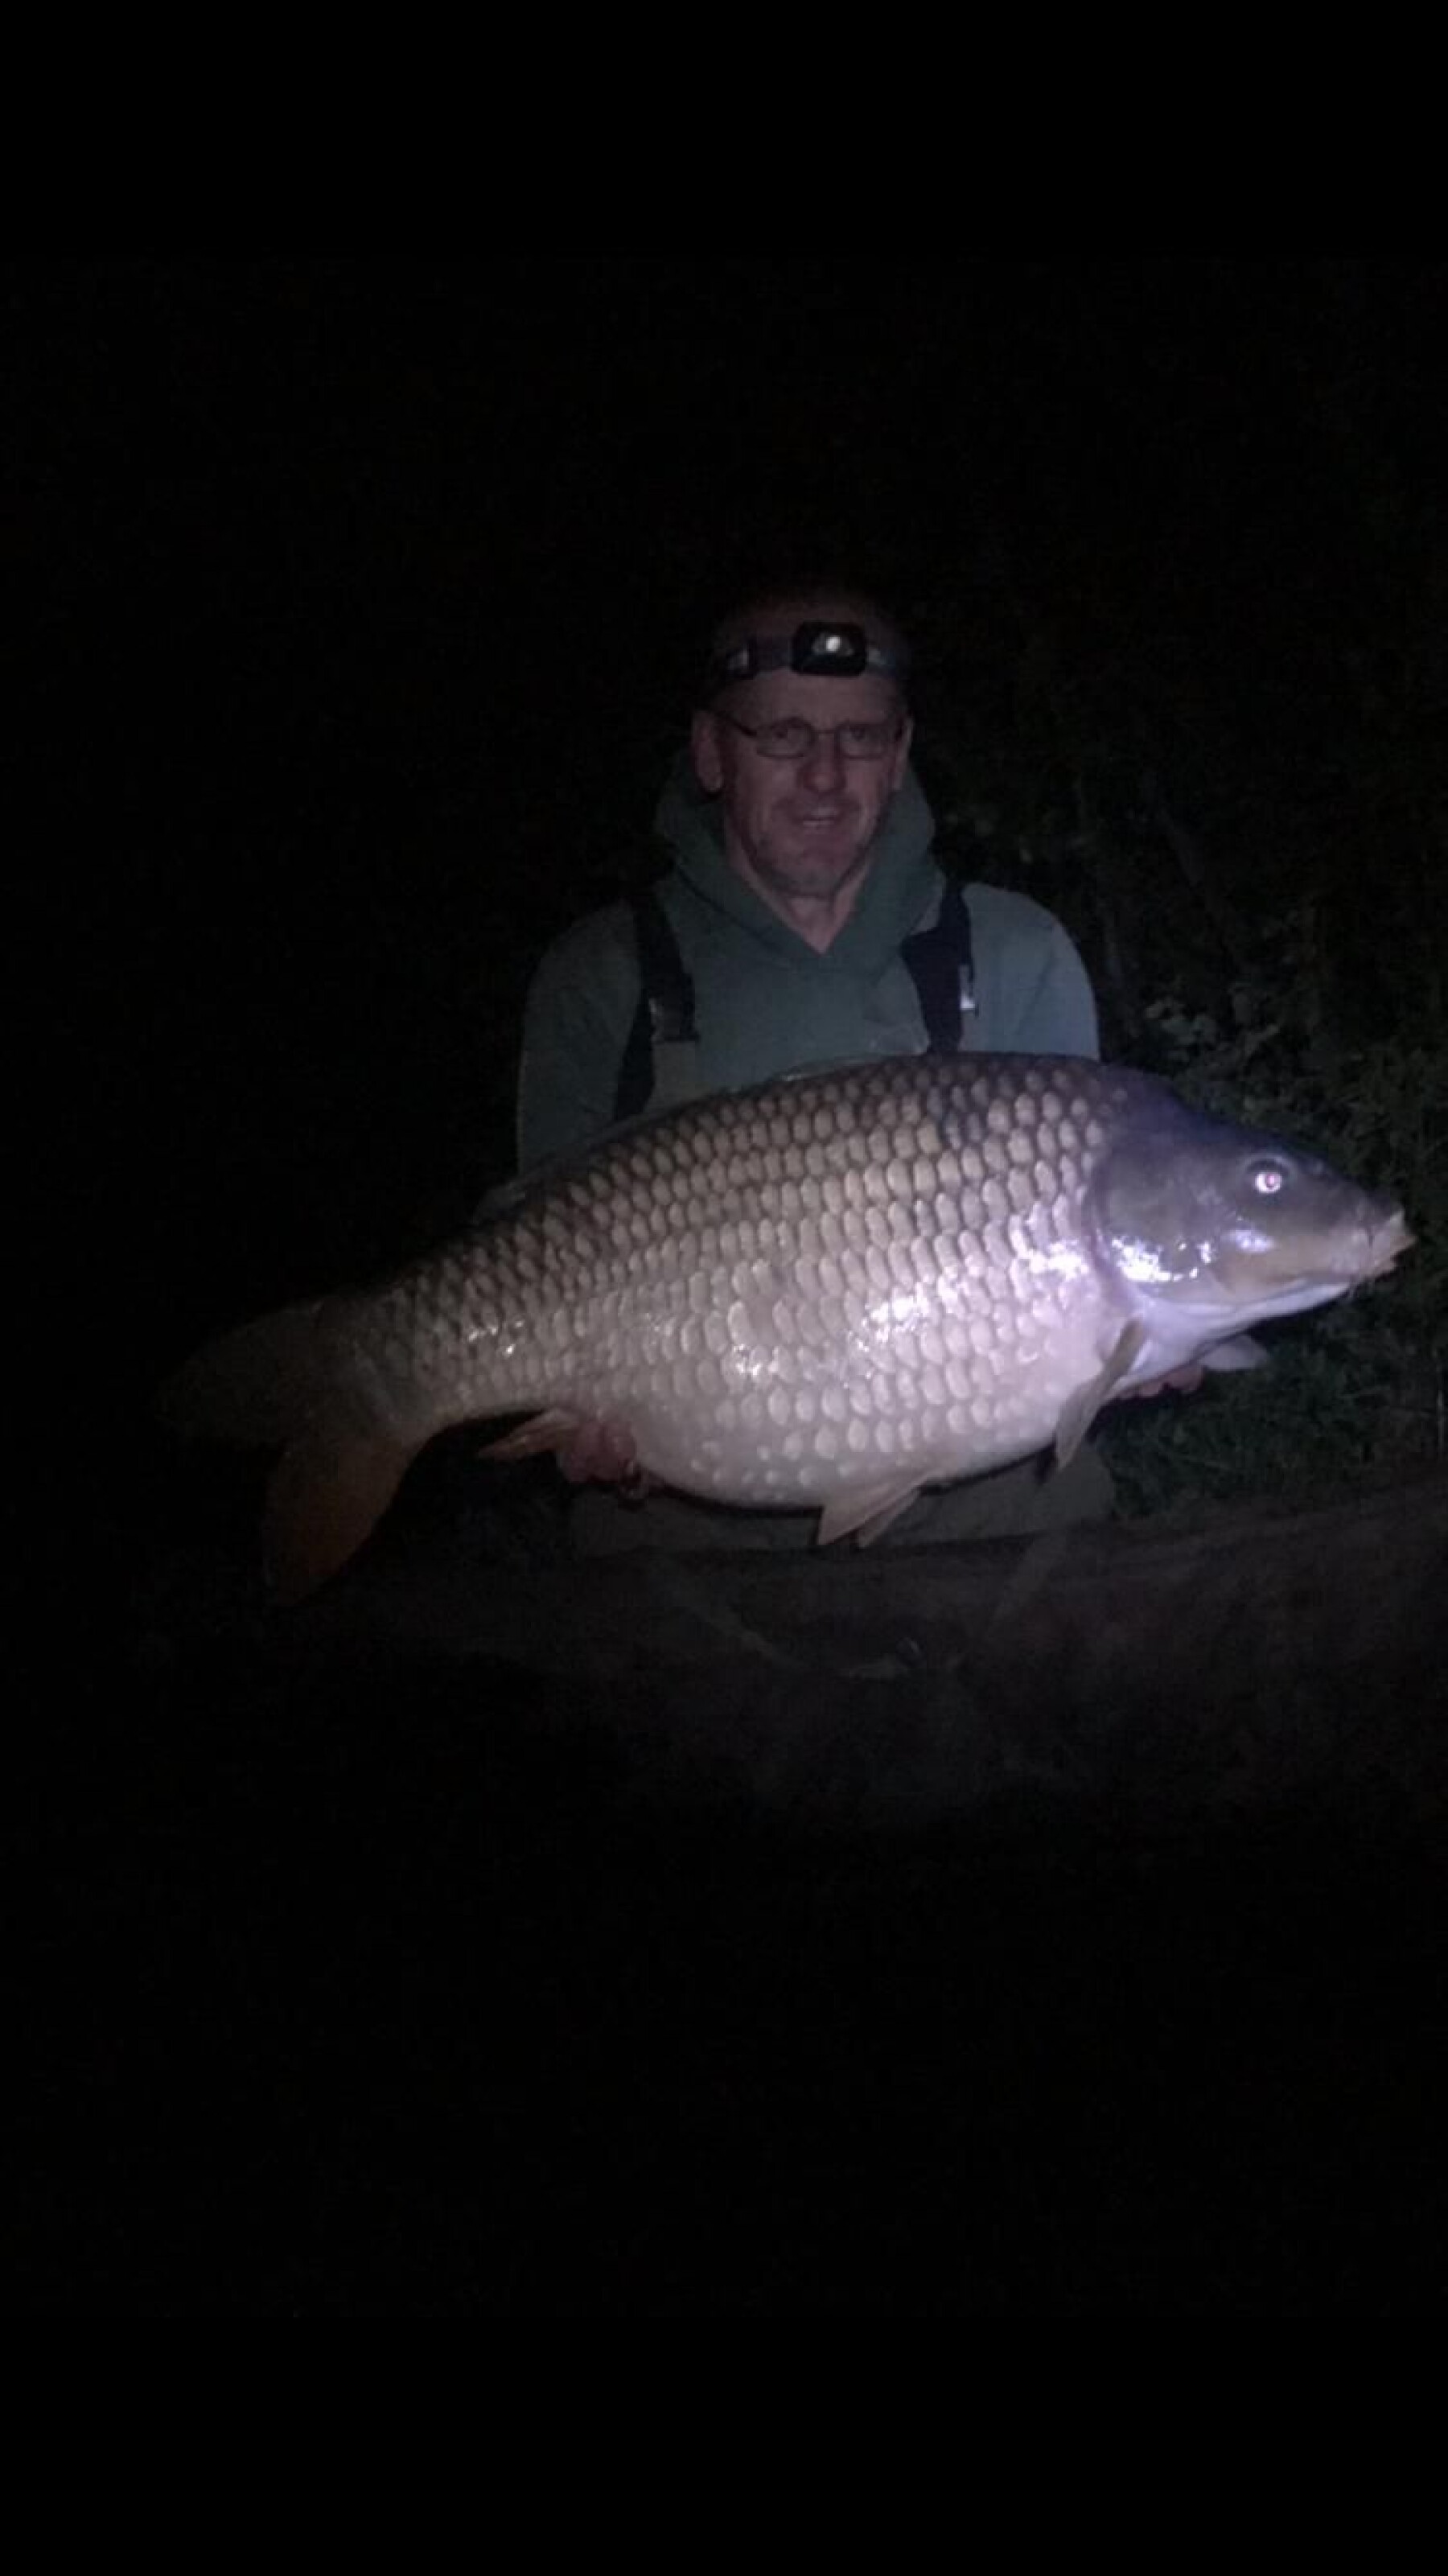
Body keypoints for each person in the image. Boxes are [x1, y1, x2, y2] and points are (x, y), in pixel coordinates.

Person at [514, 585, 1154, 1549]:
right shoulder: (603, 975)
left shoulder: (1017, 953)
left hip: (995, 1539)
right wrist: (580, 1430)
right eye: (783, 735)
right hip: (688, 1548)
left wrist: (1152, 1339)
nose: (824, 775)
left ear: (899, 755)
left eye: (860, 737)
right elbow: (535, 1248)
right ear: (710, 751)